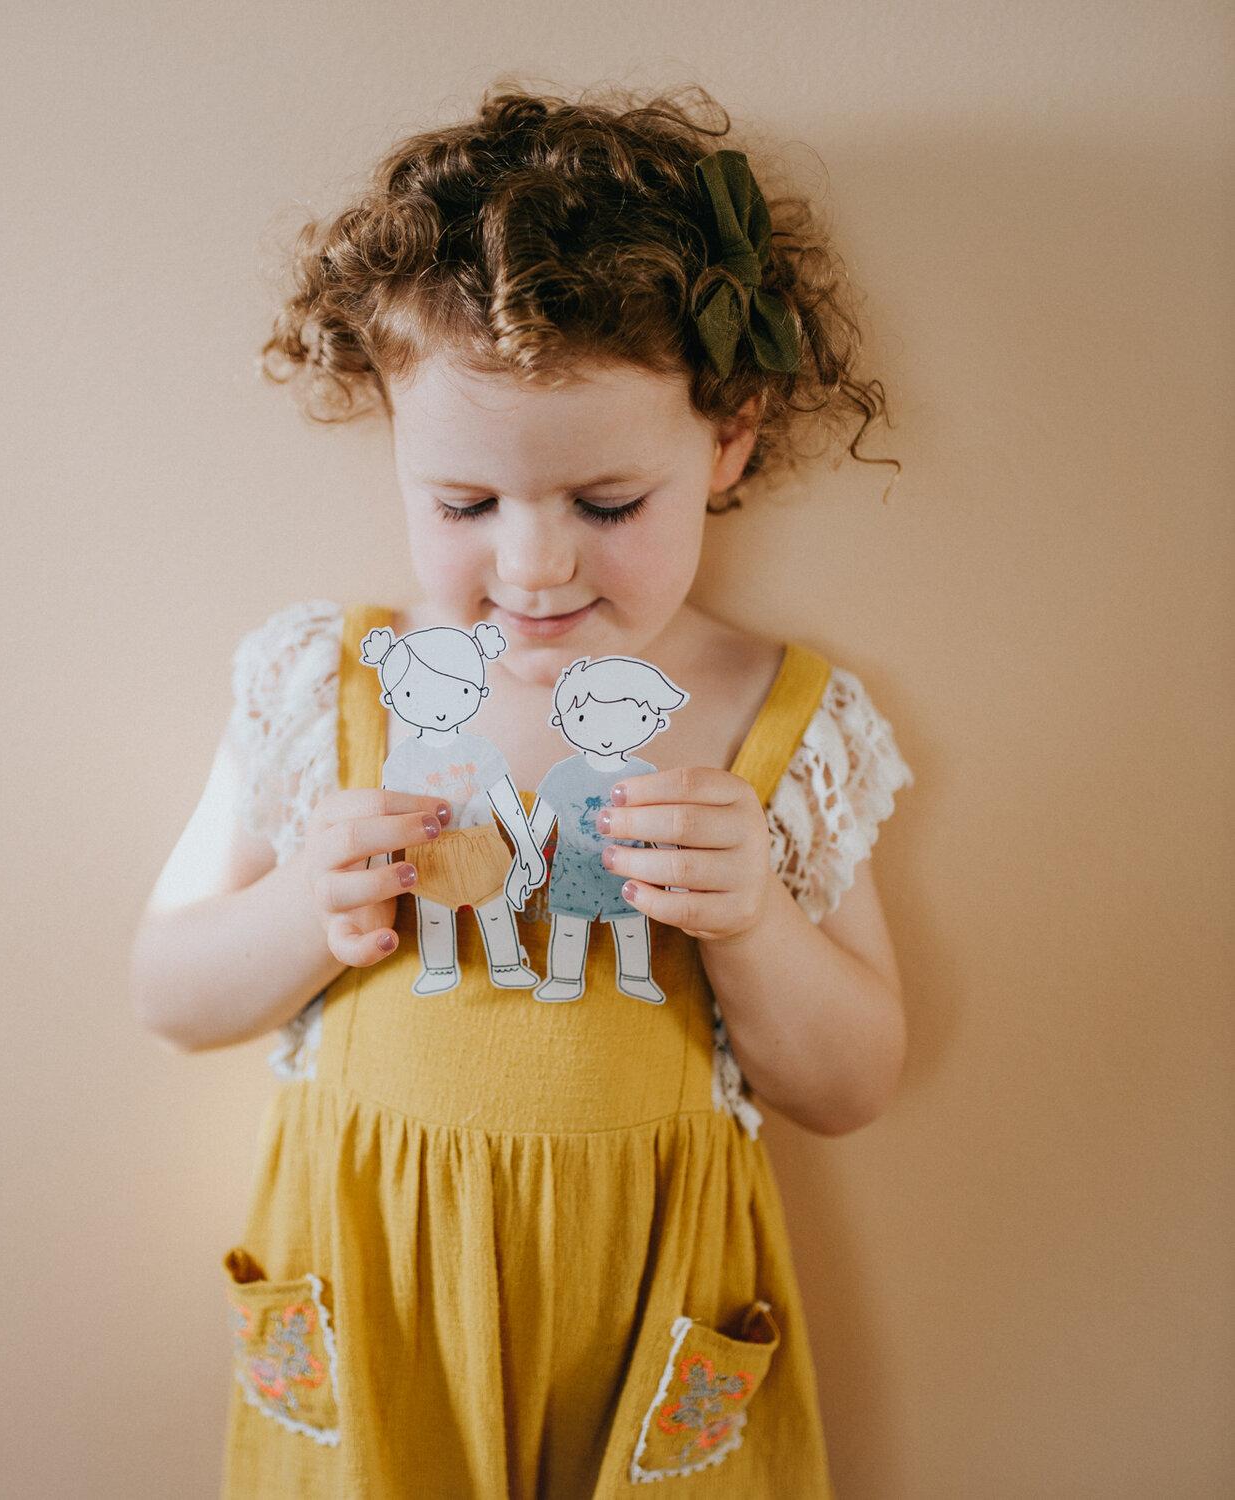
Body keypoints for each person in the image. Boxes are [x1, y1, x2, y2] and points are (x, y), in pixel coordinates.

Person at [131, 80, 916, 1499]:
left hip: (642, 1310)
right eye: (465, 505)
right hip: (379, 1296)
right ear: (397, 453)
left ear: (726, 442)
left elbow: (854, 1083)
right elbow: (172, 991)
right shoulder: (329, 689)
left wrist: (754, 924)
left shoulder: (772, 724)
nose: (536, 567)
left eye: (607, 506)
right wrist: (308, 905)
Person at [357, 619, 545, 993]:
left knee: (495, 909)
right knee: (435, 913)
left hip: (483, 844)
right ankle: (440, 968)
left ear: (478, 691)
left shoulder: (480, 749)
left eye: (457, 691)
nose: (439, 708)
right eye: (415, 694)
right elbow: (387, 815)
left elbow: (505, 799)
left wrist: (527, 846)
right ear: (394, 699)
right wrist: (377, 867)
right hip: (430, 854)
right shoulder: (403, 758)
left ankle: (506, 963)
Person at [529, 654, 688, 1005]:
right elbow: (539, 821)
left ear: (653, 721)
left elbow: (660, 828)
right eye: (587, 717)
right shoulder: (562, 773)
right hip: (572, 869)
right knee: (568, 928)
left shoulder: (646, 774)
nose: (606, 735)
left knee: (631, 927)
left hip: (627, 868)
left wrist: (674, 873)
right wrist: (527, 857)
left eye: (631, 718)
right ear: (564, 718)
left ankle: (635, 976)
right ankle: (564, 978)